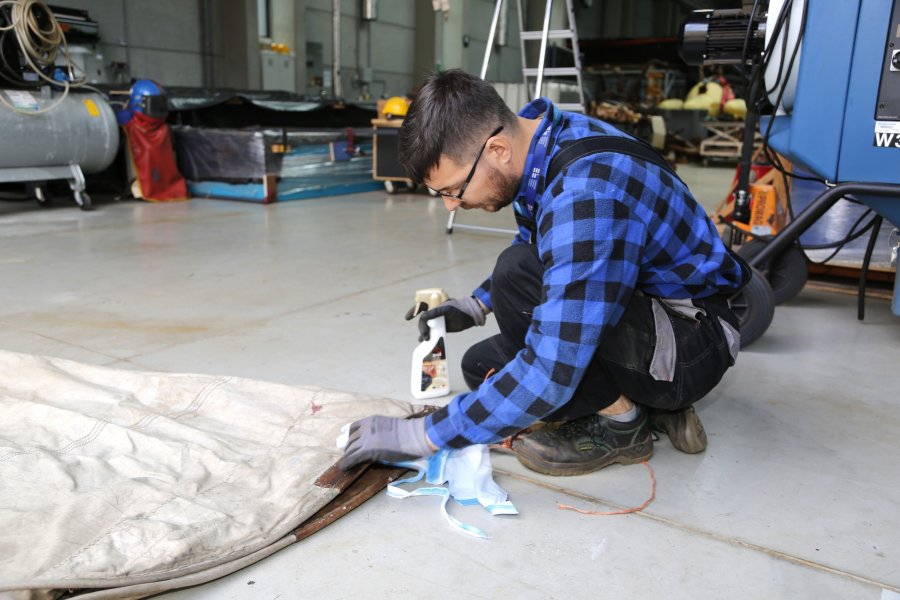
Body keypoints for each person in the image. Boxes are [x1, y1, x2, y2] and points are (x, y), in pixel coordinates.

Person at [340, 69, 749, 476]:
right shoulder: (542, 141)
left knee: (516, 283)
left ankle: (628, 426)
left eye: (453, 189)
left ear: (497, 149)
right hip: (645, 311)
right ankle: (654, 407)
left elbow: (552, 367)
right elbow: (542, 246)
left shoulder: (586, 194)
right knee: (480, 365)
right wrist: (476, 306)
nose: (450, 205)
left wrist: (423, 436)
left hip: (691, 343)